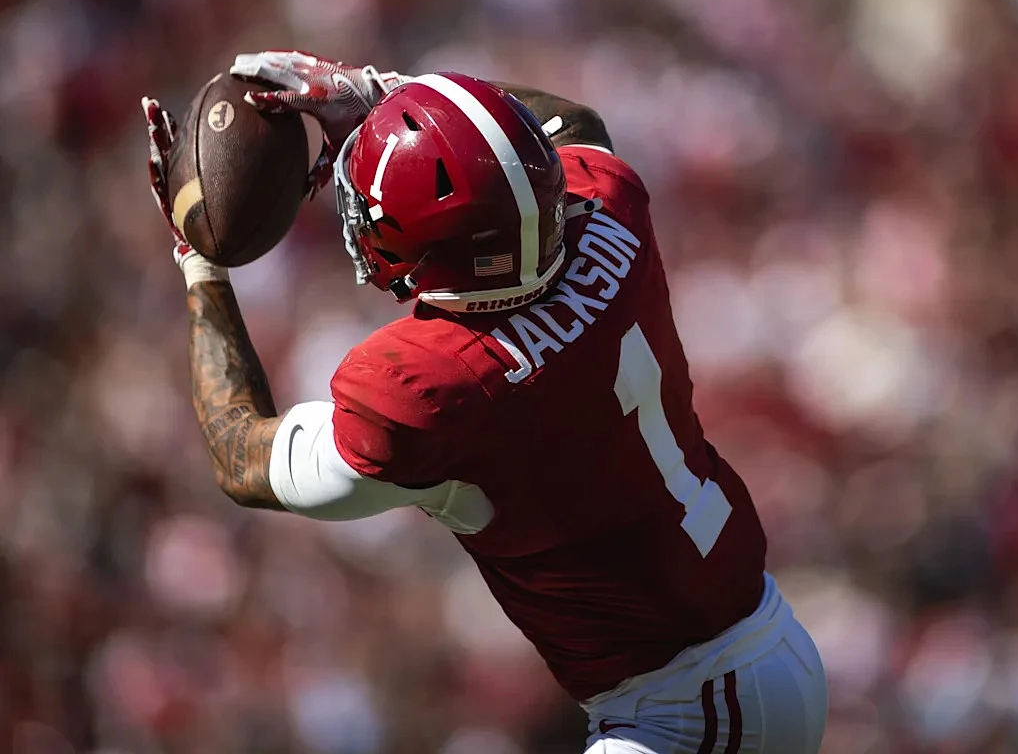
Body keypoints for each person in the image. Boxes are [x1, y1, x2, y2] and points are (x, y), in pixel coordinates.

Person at [141, 51, 827, 754]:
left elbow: (240, 453)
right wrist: (386, 96)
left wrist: (200, 263)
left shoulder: (431, 386)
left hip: (687, 708)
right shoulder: (610, 209)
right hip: (760, 641)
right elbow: (572, 122)